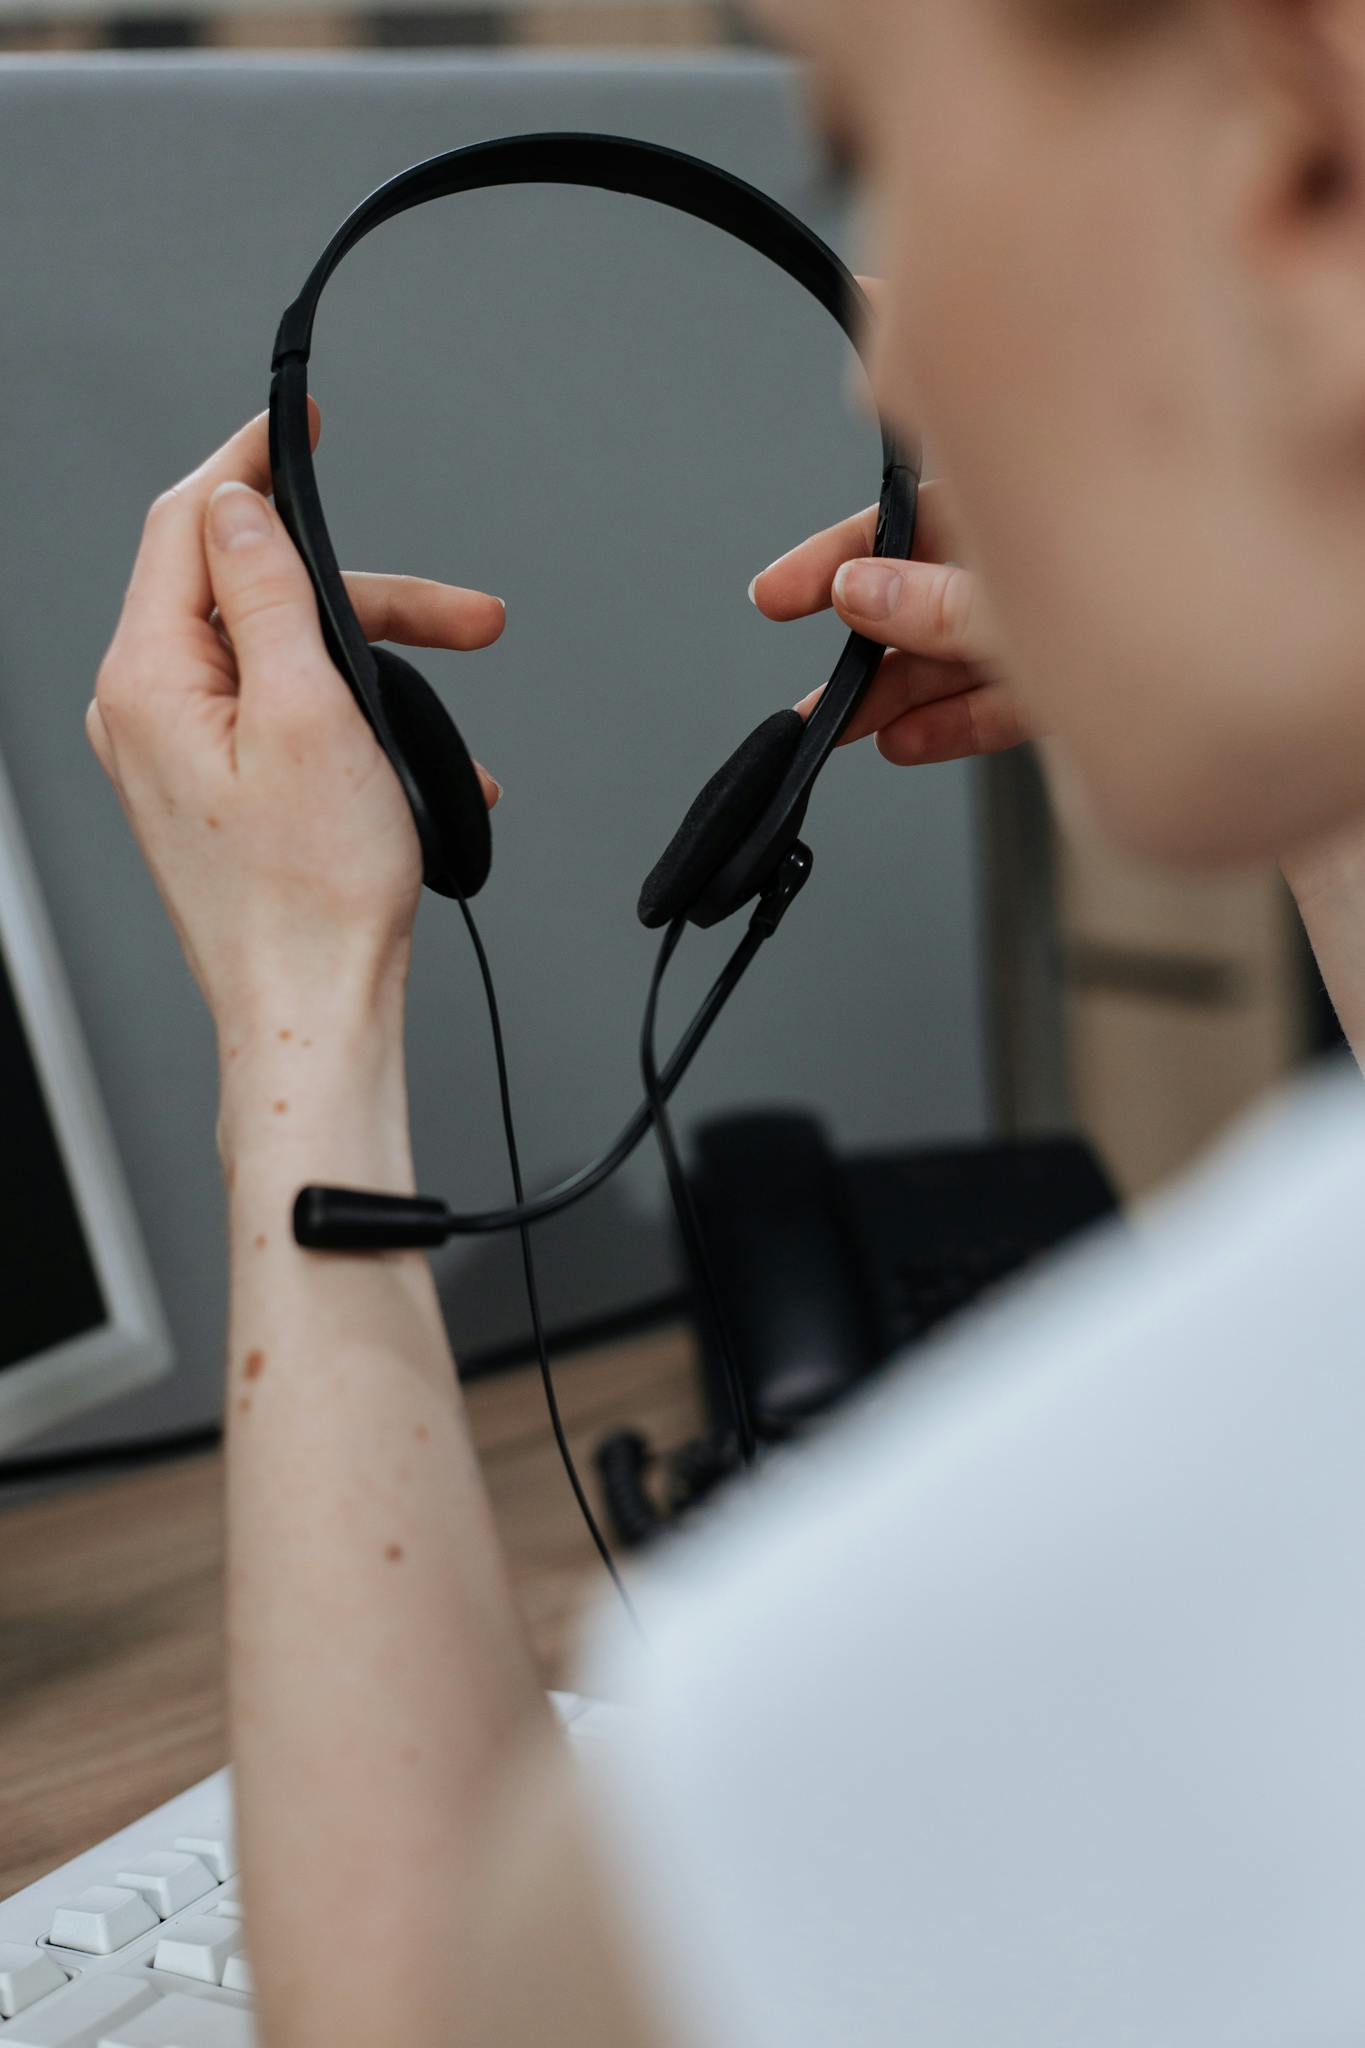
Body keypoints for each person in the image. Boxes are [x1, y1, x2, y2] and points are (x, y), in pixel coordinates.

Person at [85, 0, 1365, 2041]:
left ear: (1290, 161)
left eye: (885, 158)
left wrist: (302, 994)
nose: (901, 369)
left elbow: (429, 2010)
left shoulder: (999, 1611)